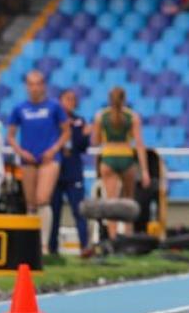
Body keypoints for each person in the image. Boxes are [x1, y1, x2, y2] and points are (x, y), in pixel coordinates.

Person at [8, 70, 69, 253]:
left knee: (43, 198)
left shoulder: (54, 107)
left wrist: (54, 149)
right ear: (26, 86)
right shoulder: (20, 108)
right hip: (28, 159)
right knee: (31, 202)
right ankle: (30, 244)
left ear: (43, 85)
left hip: (49, 159)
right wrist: (21, 151)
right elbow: (10, 136)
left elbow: (66, 131)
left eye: (38, 83)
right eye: (31, 84)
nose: (35, 88)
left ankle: (43, 245)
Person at [91, 87, 151, 241]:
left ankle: (113, 238)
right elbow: (139, 144)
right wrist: (145, 170)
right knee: (128, 200)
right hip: (126, 156)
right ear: (124, 100)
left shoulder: (101, 116)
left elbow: (95, 141)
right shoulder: (132, 116)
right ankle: (128, 236)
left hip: (109, 157)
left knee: (112, 202)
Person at [50, 89, 90, 256]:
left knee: (79, 211)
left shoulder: (79, 121)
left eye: (73, 99)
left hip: (73, 172)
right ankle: (51, 249)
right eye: (67, 99)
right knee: (54, 212)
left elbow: (82, 147)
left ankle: (85, 247)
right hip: (55, 171)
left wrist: (85, 136)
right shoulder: (52, 121)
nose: (70, 102)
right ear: (59, 101)